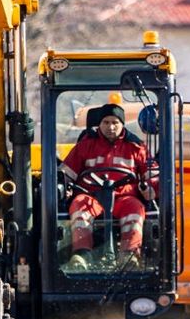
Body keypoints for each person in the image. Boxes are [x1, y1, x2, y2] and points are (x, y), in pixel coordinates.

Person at [59, 103, 156, 267]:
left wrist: (150, 188)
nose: (110, 127)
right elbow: (65, 174)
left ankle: (129, 256)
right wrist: (64, 188)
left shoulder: (136, 148)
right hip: (92, 197)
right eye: (106, 122)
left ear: (122, 124)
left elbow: (153, 175)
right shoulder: (86, 145)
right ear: (100, 124)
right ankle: (82, 255)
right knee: (79, 205)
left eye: (115, 122)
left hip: (124, 198)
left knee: (135, 209)